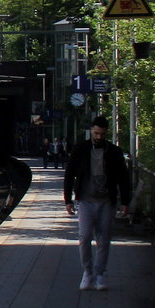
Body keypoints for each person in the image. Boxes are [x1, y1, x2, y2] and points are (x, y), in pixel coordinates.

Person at [64, 116, 131, 291]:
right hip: (86, 201)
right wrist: (67, 200)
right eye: (95, 133)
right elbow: (69, 173)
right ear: (91, 131)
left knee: (104, 239)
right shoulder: (81, 149)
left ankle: (100, 274)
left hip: (106, 202)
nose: (98, 137)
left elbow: (123, 177)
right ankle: (87, 272)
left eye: (101, 134)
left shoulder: (114, 152)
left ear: (106, 132)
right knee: (84, 237)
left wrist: (125, 201)